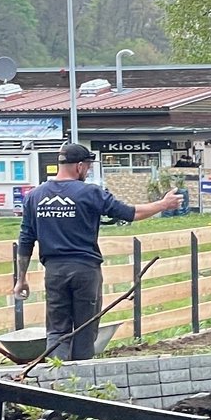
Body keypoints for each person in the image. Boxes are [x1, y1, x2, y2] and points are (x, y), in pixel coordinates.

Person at [11, 142, 182, 360]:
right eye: (88, 167)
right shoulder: (89, 192)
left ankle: (55, 377)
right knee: (85, 328)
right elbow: (130, 213)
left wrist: (21, 278)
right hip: (85, 270)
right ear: (80, 166)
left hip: (54, 272)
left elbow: (26, 238)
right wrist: (163, 205)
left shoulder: (35, 196)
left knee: (56, 328)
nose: (88, 171)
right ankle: (80, 379)